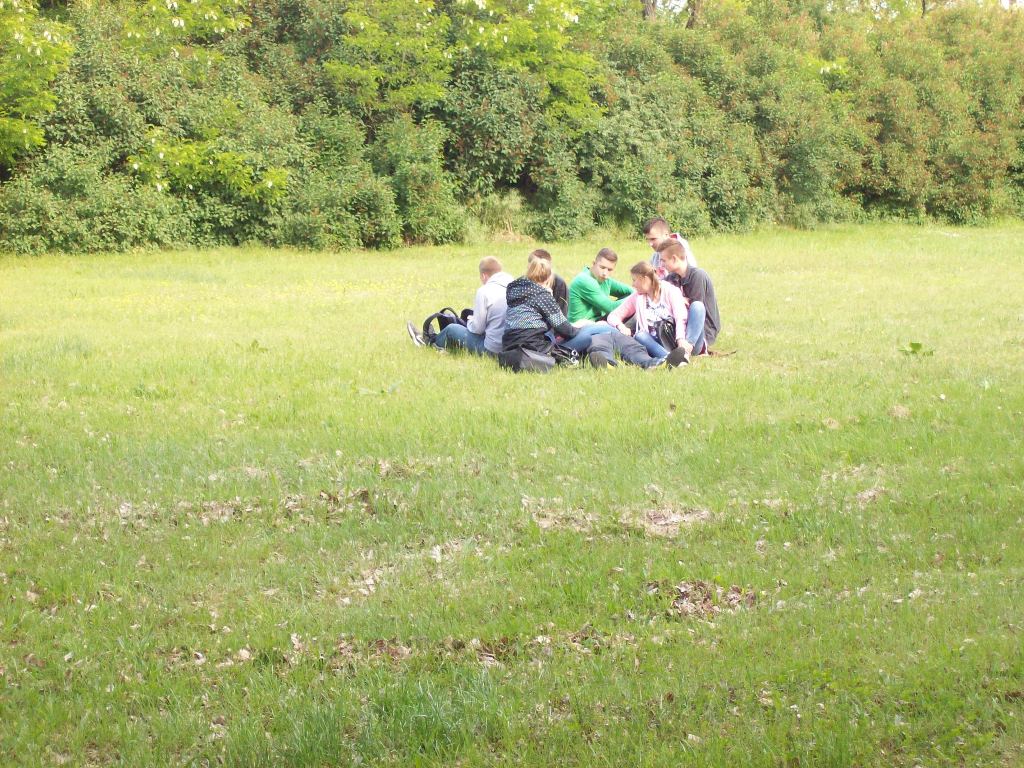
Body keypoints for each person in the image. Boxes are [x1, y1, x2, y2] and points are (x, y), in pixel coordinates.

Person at [503, 258, 614, 367]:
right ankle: (604, 360)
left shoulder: (515, 290)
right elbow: (566, 331)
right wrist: (581, 325)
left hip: (510, 347)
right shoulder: (542, 296)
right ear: (548, 279)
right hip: (535, 349)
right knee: (587, 337)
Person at [406, 256, 512, 355]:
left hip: (492, 350)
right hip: (511, 347)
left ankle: (428, 343)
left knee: (451, 329)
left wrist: (470, 321)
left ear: (484, 276)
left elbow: (477, 329)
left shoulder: (484, 292)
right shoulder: (514, 287)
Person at [607, 262, 689, 366]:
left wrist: (680, 339)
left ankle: (674, 357)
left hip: (671, 337)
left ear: (644, 279)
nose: (633, 285)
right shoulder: (637, 297)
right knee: (640, 335)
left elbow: (680, 317)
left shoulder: (670, 291)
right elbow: (613, 316)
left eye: (634, 280)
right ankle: (670, 358)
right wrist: (621, 326)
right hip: (651, 341)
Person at [656, 239, 721, 358]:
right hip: (679, 331)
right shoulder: (671, 278)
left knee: (697, 306)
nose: (662, 265)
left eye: (663, 261)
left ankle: (687, 348)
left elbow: (694, 311)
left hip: (700, 333)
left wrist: (677, 299)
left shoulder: (698, 276)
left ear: (674, 259)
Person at [567, 248, 633, 323]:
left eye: (609, 270)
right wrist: (636, 298)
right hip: (580, 327)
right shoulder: (584, 280)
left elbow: (632, 291)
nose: (605, 273)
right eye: (602, 267)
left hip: (596, 322)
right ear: (593, 263)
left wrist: (639, 295)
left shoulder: (605, 279)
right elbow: (611, 308)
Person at [528, 249, 568, 315]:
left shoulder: (559, 283)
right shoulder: (522, 284)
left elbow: (562, 314)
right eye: (535, 266)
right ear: (529, 266)